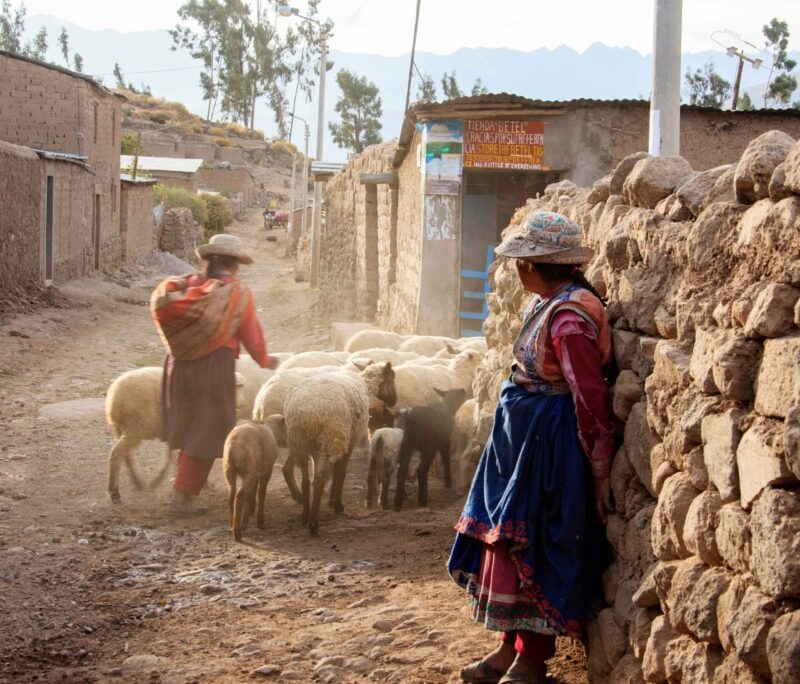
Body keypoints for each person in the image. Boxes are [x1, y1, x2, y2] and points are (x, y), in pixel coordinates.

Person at [448, 211, 615, 684]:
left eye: (521, 262)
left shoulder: (568, 318)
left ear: (532, 266)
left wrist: (599, 468)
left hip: (548, 447)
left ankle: (532, 659)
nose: (517, 270)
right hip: (520, 440)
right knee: (505, 538)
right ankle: (507, 649)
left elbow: (588, 394)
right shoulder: (548, 303)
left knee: (532, 543)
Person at [150, 233, 279, 515]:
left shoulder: (184, 285)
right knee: (207, 430)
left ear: (206, 260)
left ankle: (186, 485)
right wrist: (267, 360)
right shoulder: (234, 292)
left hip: (178, 366)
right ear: (233, 265)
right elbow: (252, 336)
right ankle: (182, 498)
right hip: (212, 369)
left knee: (188, 425)